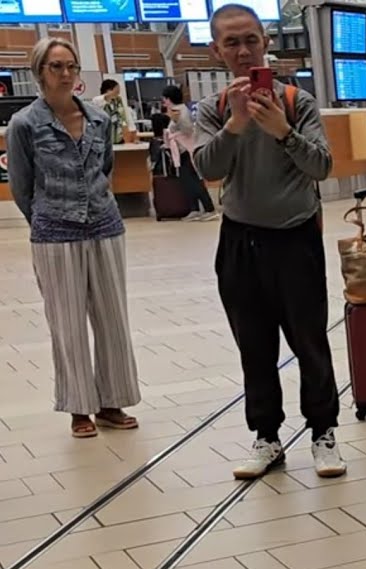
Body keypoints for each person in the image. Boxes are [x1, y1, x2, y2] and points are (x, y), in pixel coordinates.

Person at [193, 3, 345, 480]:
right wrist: (236, 124)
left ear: (266, 43)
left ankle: (323, 433)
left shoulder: (298, 102)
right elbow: (207, 168)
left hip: (296, 239)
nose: (243, 51)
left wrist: (281, 130)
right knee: (254, 346)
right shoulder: (214, 109)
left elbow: (322, 166)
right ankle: (266, 436)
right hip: (241, 242)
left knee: (310, 341)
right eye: (232, 43)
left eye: (251, 40)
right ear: (217, 51)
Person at [8, 38, 141, 439]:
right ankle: (78, 407)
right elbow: (22, 185)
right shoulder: (25, 124)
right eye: (56, 67)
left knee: (113, 319)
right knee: (67, 323)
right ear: (40, 72)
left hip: (105, 226)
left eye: (71, 66)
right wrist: (45, 217)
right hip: (54, 233)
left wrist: (95, 204)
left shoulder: (98, 119)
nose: (65, 74)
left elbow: (105, 168)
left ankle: (112, 402)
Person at [161, 85, 217, 221]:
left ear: (169, 98)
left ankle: (209, 208)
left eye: (165, 98)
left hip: (187, 149)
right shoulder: (177, 110)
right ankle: (194, 209)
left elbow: (187, 129)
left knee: (194, 181)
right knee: (187, 181)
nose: (164, 101)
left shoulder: (179, 111)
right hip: (182, 150)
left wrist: (175, 126)